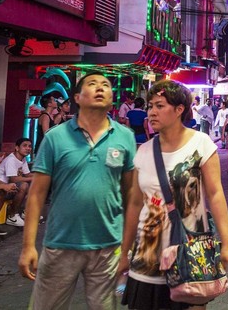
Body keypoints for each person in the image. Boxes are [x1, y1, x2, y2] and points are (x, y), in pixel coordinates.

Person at [18, 71, 137, 310]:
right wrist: (28, 245)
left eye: (105, 85)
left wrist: (127, 247)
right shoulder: (55, 138)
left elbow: (132, 196)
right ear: (78, 98)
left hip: (108, 246)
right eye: (92, 84)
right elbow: (37, 194)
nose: (100, 88)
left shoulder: (125, 137)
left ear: (112, 98)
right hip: (61, 242)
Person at [119, 80, 228, 310]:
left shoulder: (201, 144)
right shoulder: (143, 151)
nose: (152, 112)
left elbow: (215, 195)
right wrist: (124, 252)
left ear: (179, 109)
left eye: (160, 106)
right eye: (150, 106)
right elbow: (134, 205)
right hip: (148, 255)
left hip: (190, 255)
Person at [0, 137, 34, 227]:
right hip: (0, 190)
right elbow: (13, 179)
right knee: (24, 185)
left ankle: (26, 211)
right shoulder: (11, 160)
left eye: (29, 146)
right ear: (17, 148)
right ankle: (12, 216)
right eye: (24, 146)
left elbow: (27, 174)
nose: (28, 148)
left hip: (10, 187)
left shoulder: (22, 159)